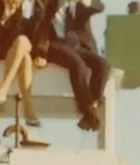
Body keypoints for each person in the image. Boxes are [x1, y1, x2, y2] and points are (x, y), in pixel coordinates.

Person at [29, 0, 107, 131]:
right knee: (78, 65)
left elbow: (99, 6)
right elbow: (38, 25)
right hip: (54, 44)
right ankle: (89, 112)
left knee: (103, 65)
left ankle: (91, 105)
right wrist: (39, 53)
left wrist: (84, 2)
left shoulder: (79, 3)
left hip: (77, 46)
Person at [0, 0, 40, 126]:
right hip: (2, 48)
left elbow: (39, 31)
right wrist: (5, 17)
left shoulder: (38, 5)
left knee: (22, 42)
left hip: (27, 46)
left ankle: (4, 87)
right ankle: (28, 110)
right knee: (24, 57)